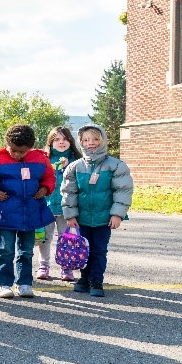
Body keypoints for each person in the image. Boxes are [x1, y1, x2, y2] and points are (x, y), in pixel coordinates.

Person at [0, 124, 56, 299]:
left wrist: (45, 189)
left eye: (21, 152)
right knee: (6, 250)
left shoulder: (40, 158)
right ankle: (3, 284)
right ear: (6, 143)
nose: (16, 155)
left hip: (31, 212)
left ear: (30, 148)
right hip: (7, 212)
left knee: (26, 251)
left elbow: (50, 177)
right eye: (13, 150)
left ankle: (24, 283)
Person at [61, 124, 134, 297]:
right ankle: (84, 278)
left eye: (95, 139)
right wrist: (70, 215)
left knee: (99, 250)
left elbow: (122, 191)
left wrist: (117, 214)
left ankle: (96, 281)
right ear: (80, 142)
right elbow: (68, 192)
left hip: (103, 219)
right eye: (86, 140)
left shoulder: (115, 165)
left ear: (102, 140)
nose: (90, 143)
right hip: (82, 219)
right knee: (82, 250)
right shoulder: (75, 167)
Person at [37, 126, 82, 282]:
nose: (61, 142)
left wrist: (67, 168)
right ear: (50, 142)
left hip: (67, 208)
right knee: (45, 238)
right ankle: (43, 266)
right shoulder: (44, 159)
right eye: (57, 139)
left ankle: (67, 267)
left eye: (65, 139)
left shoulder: (77, 160)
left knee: (67, 238)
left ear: (70, 141)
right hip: (47, 205)